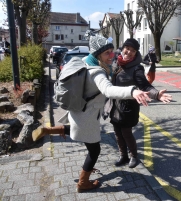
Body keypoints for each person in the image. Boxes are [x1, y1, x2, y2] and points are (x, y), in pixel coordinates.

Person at [32, 33, 152, 193]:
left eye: (111, 51)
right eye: (107, 53)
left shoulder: (84, 63)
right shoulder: (97, 72)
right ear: (97, 54)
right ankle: (83, 183)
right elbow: (108, 90)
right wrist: (133, 91)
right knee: (94, 151)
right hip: (87, 116)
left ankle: (48, 130)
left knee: (77, 131)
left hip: (77, 112)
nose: (112, 55)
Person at [108, 38, 172, 168]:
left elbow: (145, 86)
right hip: (114, 105)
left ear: (136, 53)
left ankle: (134, 156)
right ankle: (123, 155)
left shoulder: (137, 68)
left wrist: (157, 95)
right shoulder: (116, 62)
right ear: (123, 48)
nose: (129, 52)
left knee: (126, 133)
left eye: (133, 50)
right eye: (127, 48)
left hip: (128, 107)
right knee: (117, 132)